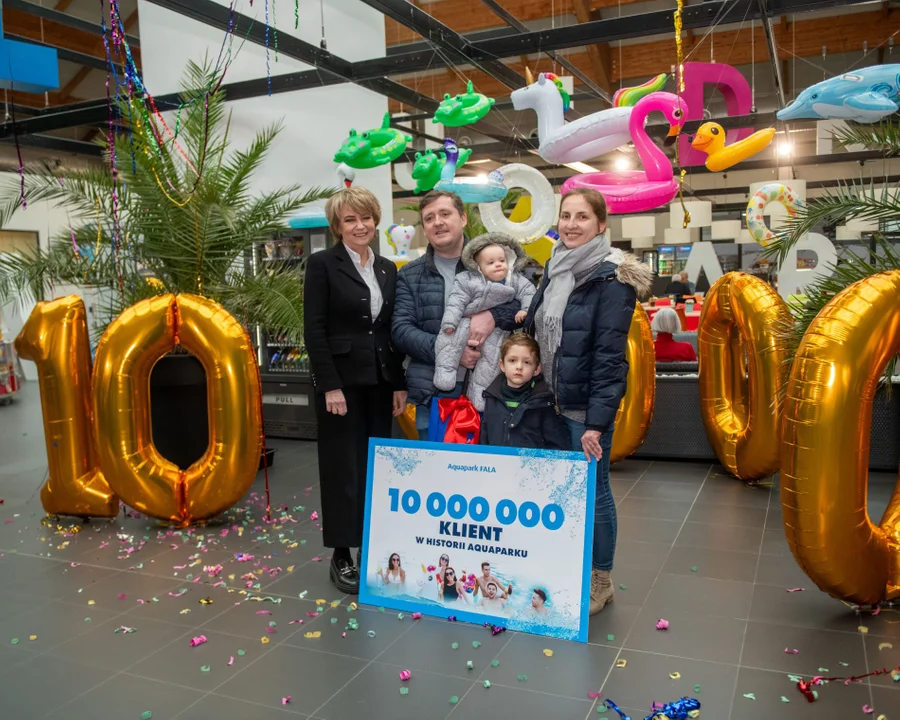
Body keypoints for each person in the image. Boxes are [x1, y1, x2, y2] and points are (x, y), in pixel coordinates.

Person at [523, 188, 652, 615]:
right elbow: (539, 329)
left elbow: (610, 358)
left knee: (594, 492)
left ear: (601, 224)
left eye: (582, 217)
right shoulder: (555, 267)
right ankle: (570, 566)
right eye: (566, 216)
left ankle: (601, 579)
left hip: (584, 410)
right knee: (561, 489)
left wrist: (596, 422)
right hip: (550, 401)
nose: (571, 224)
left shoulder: (613, 278)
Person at [304, 187, 408, 595]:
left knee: (374, 466)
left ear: (375, 220)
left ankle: (372, 545)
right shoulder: (322, 265)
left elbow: (388, 332)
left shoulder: (387, 268)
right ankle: (341, 553)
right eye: (350, 219)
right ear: (337, 226)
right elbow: (315, 330)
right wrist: (329, 385)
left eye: (365, 217)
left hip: (380, 383)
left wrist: (397, 383)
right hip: (341, 387)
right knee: (342, 468)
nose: (360, 225)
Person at [392, 190, 520, 439]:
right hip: (433, 394)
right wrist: (452, 351)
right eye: (429, 218)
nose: (437, 222)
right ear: (424, 228)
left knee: (488, 460)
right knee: (436, 461)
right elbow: (401, 330)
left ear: (462, 218)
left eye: (445, 214)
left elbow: (523, 304)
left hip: (491, 390)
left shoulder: (495, 263)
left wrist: (493, 316)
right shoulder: (409, 275)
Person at [434, 233, 536, 411]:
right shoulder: (468, 279)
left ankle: (480, 395)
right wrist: (450, 322)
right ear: (479, 267)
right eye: (491, 262)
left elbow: (530, 293)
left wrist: (525, 310)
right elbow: (456, 301)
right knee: (449, 340)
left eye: (502, 260)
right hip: (465, 321)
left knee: (491, 360)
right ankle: (445, 371)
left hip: (496, 331)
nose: (498, 264)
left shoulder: (515, 280)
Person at [480, 334, 570, 450]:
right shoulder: (492, 397)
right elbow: (484, 437)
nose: (519, 367)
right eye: (512, 360)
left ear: (536, 369)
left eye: (527, 362)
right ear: (502, 365)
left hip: (530, 461)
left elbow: (557, 444)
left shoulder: (543, 403)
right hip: (497, 461)